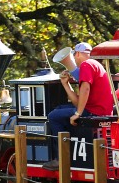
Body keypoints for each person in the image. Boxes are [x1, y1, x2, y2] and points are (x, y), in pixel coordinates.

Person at [44, 42, 113, 170]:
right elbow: (79, 102)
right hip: (97, 110)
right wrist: (66, 84)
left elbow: (85, 89)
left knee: (53, 116)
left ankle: (61, 157)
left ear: (78, 53)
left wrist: (78, 114)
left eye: (74, 55)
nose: (74, 58)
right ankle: (67, 151)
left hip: (95, 112)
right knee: (59, 110)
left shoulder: (87, 65)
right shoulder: (95, 65)